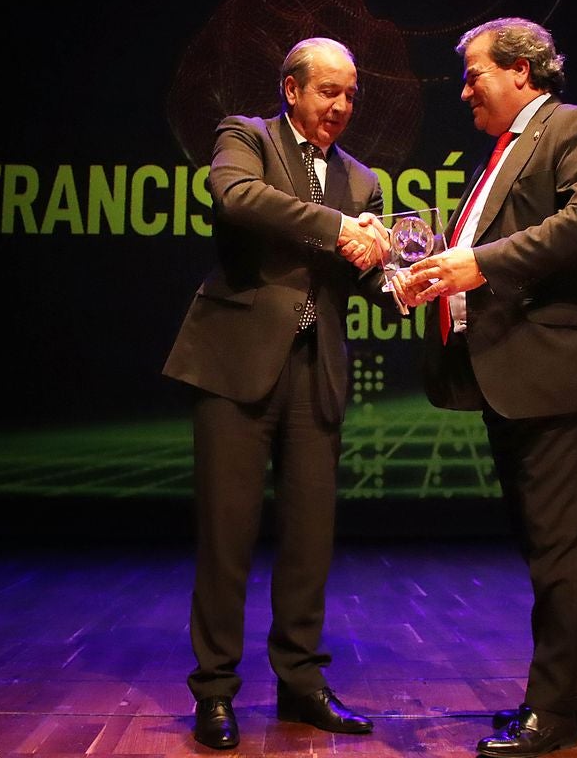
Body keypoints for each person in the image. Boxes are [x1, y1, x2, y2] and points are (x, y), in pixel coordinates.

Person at [393, 18, 577, 757]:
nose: (464, 88)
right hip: (520, 377)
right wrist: (438, 271)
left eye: (474, 73)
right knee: (554, 548)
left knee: (562, 548)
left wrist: (480, 264)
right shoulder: (502, 152)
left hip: (562, 373)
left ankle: (552, 713)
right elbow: (482, 255)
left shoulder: (574, 126)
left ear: (522, 73)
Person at [163, 36, 392, 750]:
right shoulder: (246, 137)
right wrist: (336, 227)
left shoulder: (364, 180)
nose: (342, 106)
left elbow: (358, 274)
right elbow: (237, 200)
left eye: (351, 94)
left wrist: (397, 277)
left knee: (308, 540)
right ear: (291, 90)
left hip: (314, 368)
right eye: (329, 91)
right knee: (226, 537)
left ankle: (300, 683)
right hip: (236, 364)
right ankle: (216, 692)